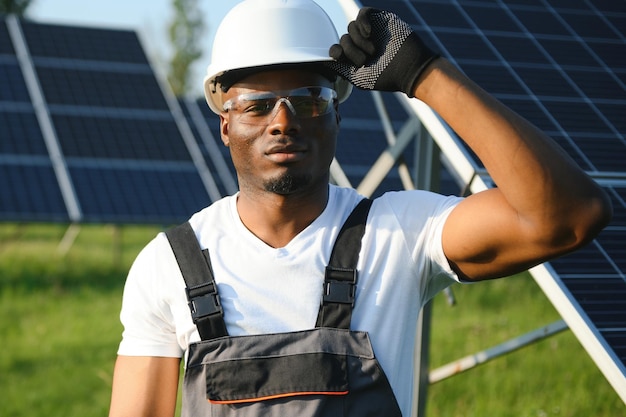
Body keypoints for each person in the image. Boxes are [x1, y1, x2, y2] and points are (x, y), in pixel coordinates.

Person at [108, 1, 612, 416]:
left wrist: (424, 75)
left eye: (308, 99)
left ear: (336, 118)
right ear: (224, 124)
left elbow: (569, 215)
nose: (282, 122)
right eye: (258, 104)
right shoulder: (170, 264)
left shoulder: (398, 233)